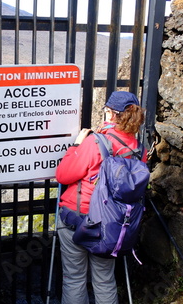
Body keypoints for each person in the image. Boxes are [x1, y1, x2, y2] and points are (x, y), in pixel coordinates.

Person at [55, 90, 147, 304]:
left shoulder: (95, 142)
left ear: (112, 114)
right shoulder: (139, 150)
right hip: (112, 225)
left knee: (74, 278)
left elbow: (63, 175)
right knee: (105, 280)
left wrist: (76, 145)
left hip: (78, 218)